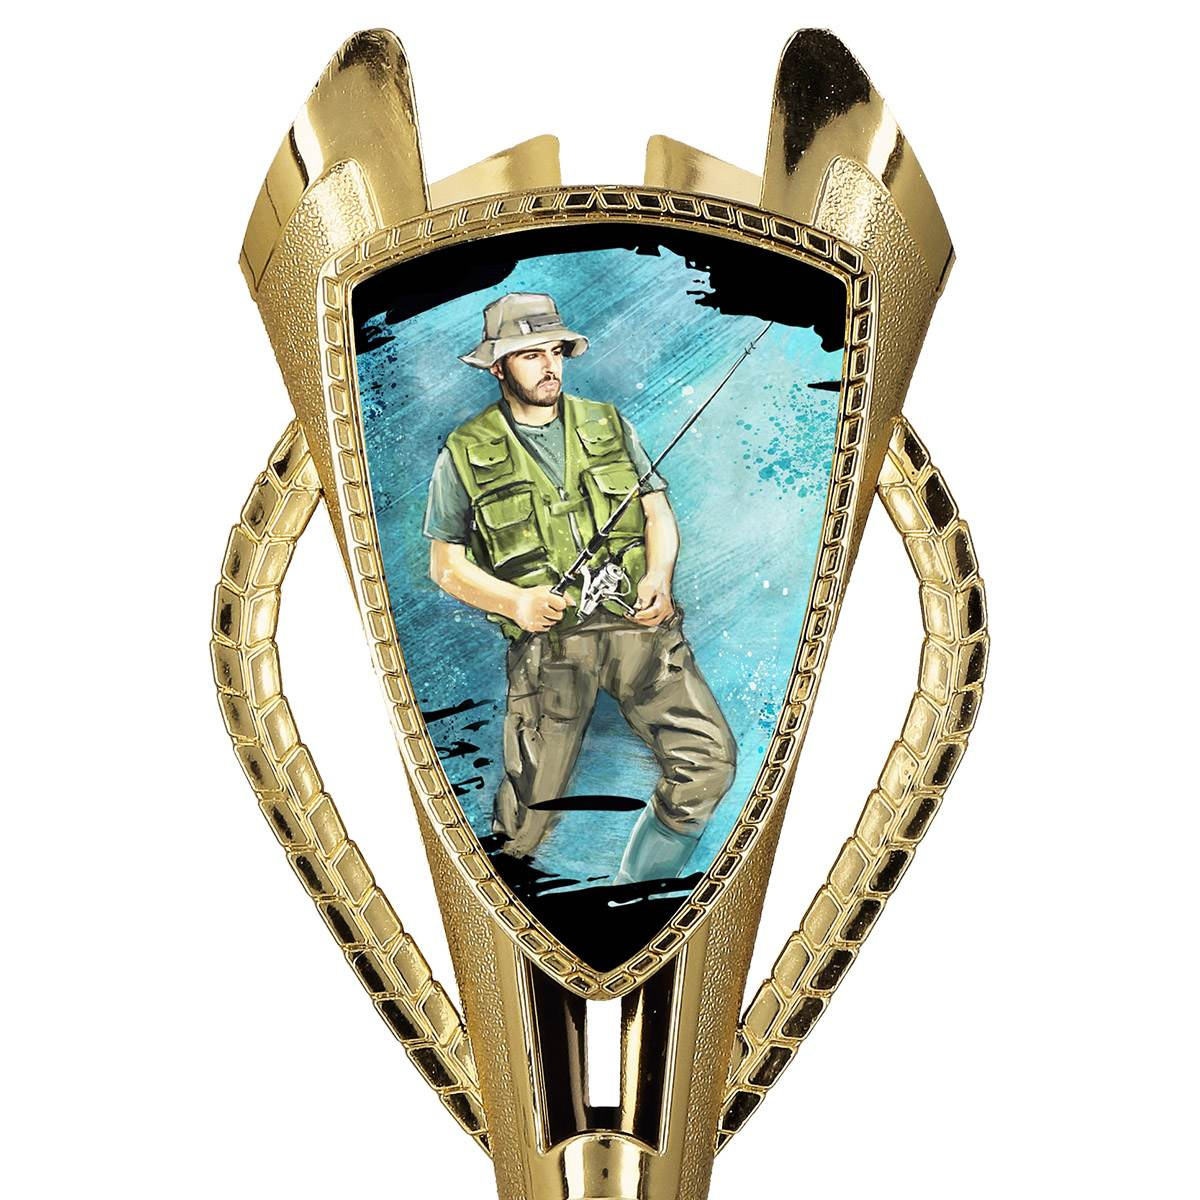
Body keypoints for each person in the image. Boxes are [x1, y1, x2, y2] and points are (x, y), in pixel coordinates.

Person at [424, 292, 736, 884]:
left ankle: (637, 898)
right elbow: (446, 565)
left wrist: (658, 576)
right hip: (551, 650)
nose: (549, 366)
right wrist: (516, 602)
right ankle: (511, 906)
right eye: (530, 355)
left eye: (555, 351)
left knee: (707, 762)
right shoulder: (463, 450)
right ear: (498, 367)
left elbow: (656, 511)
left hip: (639, 630)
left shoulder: (608, 423)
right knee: (529, 814)